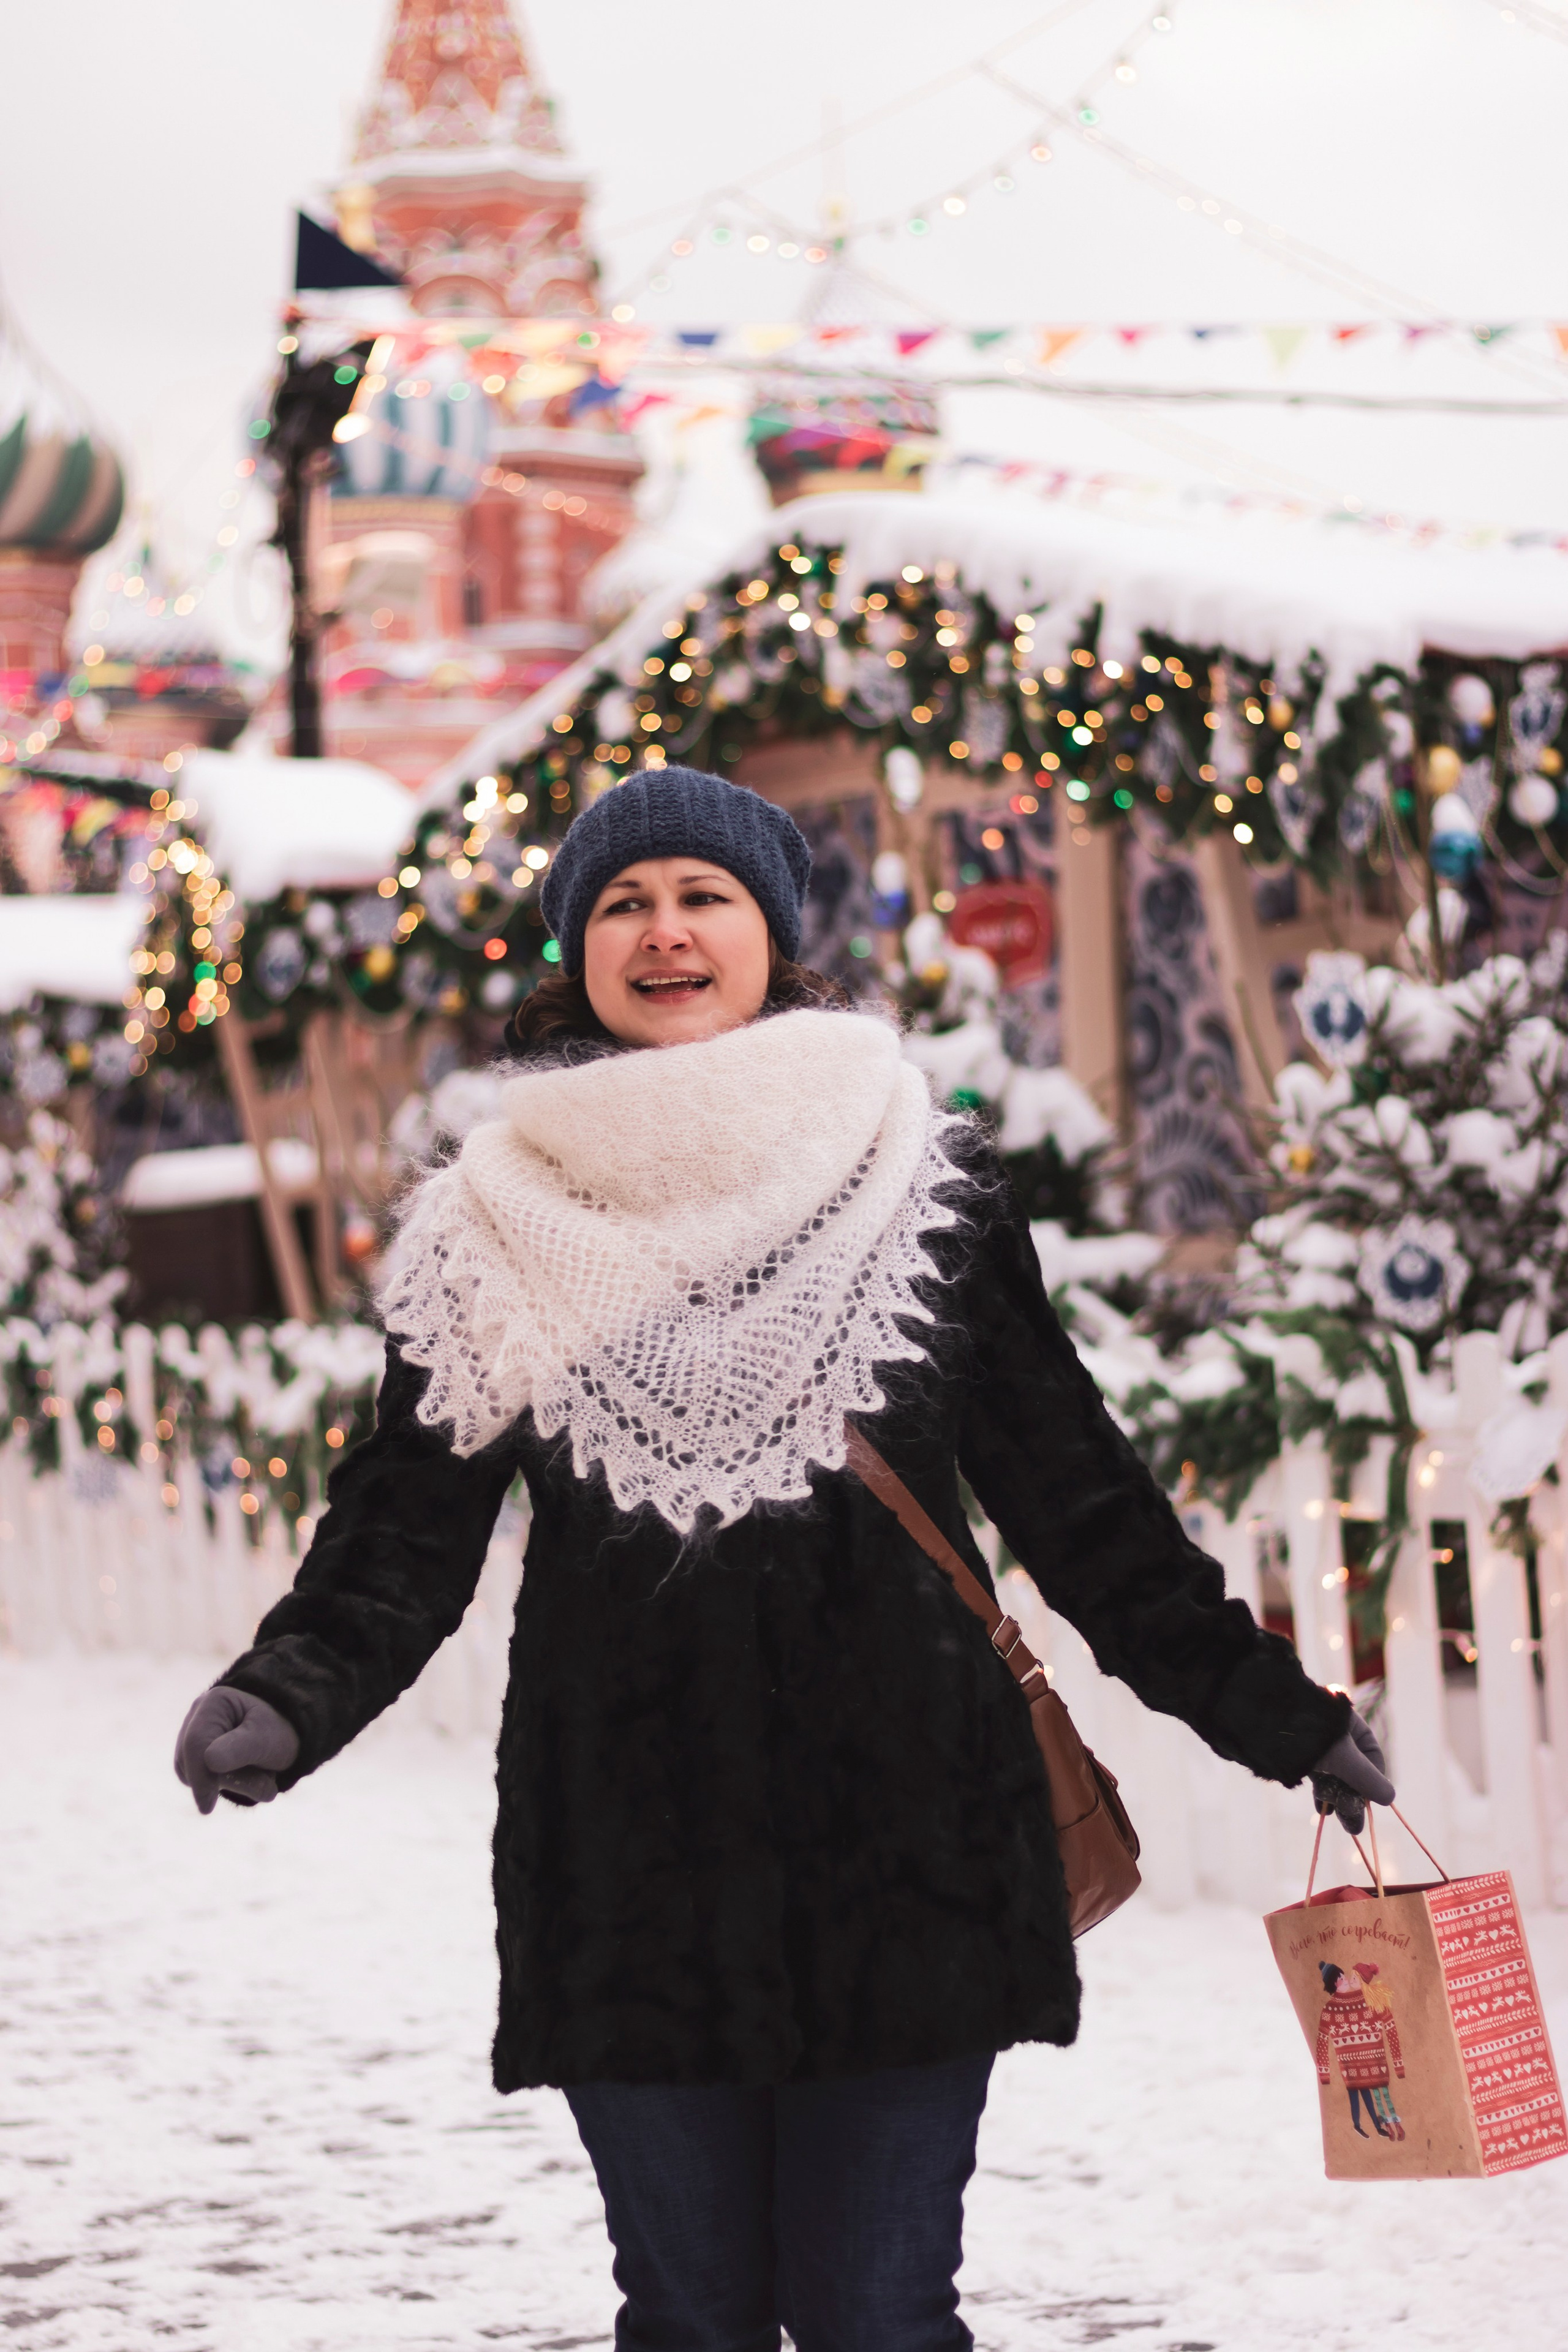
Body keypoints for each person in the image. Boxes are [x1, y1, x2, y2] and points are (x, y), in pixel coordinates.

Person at [175, 766, 1392, 2352]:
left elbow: (1083, 1504)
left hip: (915, 1848)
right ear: (577, 949)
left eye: (704, 897)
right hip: (628, 1862)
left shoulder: (925, 1183)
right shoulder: (487, 1229)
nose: (664, 932)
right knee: (691, 2316)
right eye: (623, 904)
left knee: (878, 2312)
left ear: (771, 933)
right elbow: (400, 1528)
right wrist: (287, 1693)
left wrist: (1274, 1713)